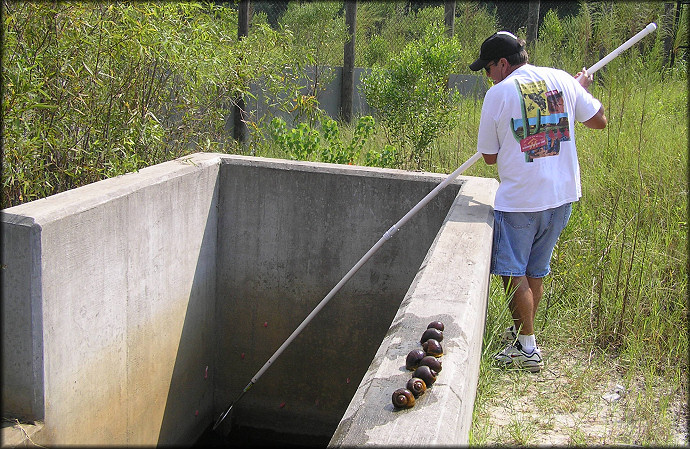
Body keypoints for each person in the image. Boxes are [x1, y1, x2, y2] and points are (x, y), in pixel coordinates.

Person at [469, 31, 607, 372]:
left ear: (502, 64)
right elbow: (599, 120)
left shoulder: (499, 94)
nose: (488, 76)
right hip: (561, 197)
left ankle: (528, 349)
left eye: (488, 69)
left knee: (513, 272)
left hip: (521, 199)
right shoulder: (562, 80)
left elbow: (488, 156)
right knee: (534, 271)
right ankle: (522, 339)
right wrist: (579, 93)